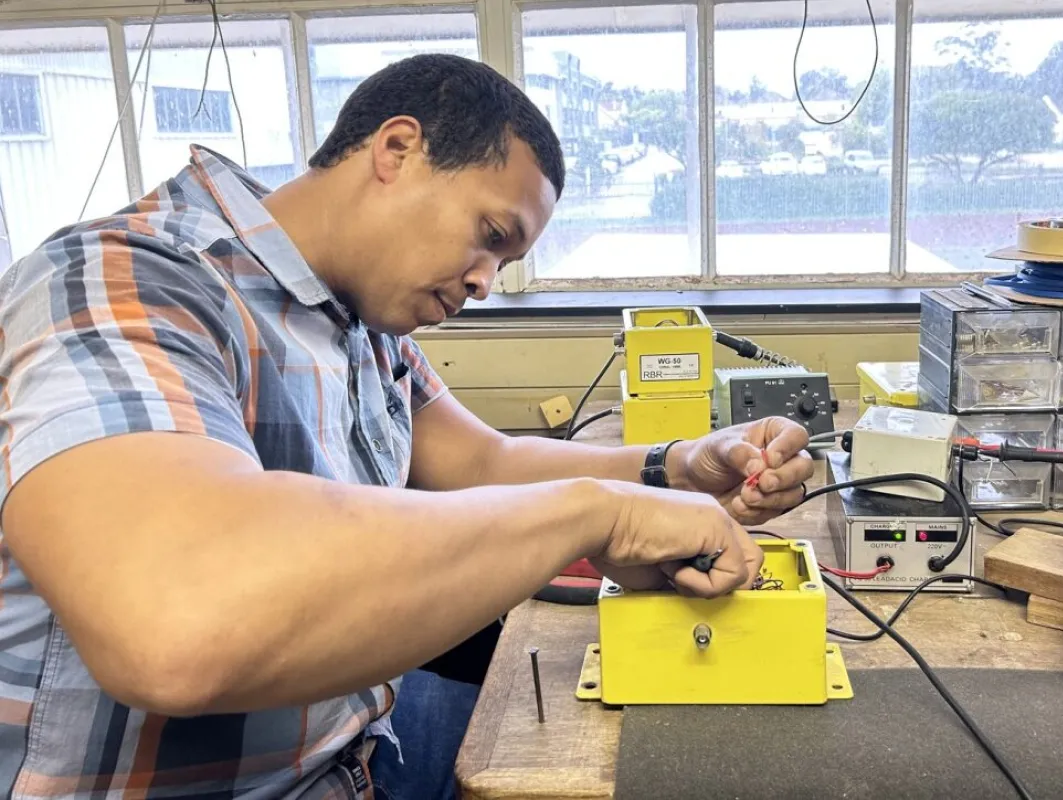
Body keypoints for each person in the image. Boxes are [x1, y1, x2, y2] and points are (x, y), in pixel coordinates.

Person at [0, 53, 813, 800]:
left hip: (347, 765)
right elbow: (176, 624)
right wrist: (598, 511)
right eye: (491, 238)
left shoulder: (365, 324)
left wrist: (675, 466)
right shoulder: (126, 283)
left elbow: (483, 462)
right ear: (395, 150)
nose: (487, 282)